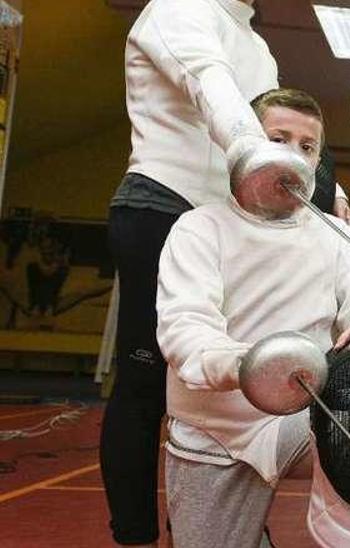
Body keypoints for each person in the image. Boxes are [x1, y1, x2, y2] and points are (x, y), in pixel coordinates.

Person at [155, 88, 350, 548]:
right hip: (218, 425)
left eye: (307, 147)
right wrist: (248, 368)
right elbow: (185, 330)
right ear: (247, 145)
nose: (293, 155)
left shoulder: (334, 233)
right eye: (279, 140)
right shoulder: (200, 228)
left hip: (304, 416)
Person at [101, 1, 281, 544]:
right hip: (161, 205)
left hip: (224, 221)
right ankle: (135, 536)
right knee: (145, 384)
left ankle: (213, 531)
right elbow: (208, 80)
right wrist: (260, 157)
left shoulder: (259, 46)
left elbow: (279, 124)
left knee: (217, 387)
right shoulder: (179, 7)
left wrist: (328, 190)